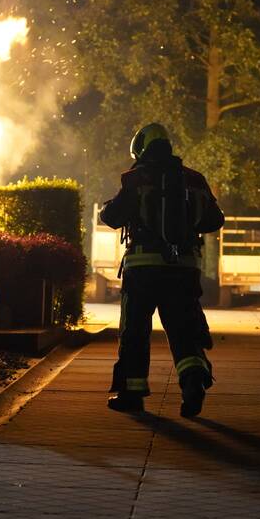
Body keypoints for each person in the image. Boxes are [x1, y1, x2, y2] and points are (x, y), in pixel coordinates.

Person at [100, 123, 224, 417]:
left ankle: (132, 393)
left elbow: (113, 217)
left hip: (142, 269)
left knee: (135, 331)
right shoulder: (194, 179)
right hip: (184, 268)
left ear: (141, 148)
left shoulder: (135, 179)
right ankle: (193, 381)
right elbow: (214, 221)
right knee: (183, 329)